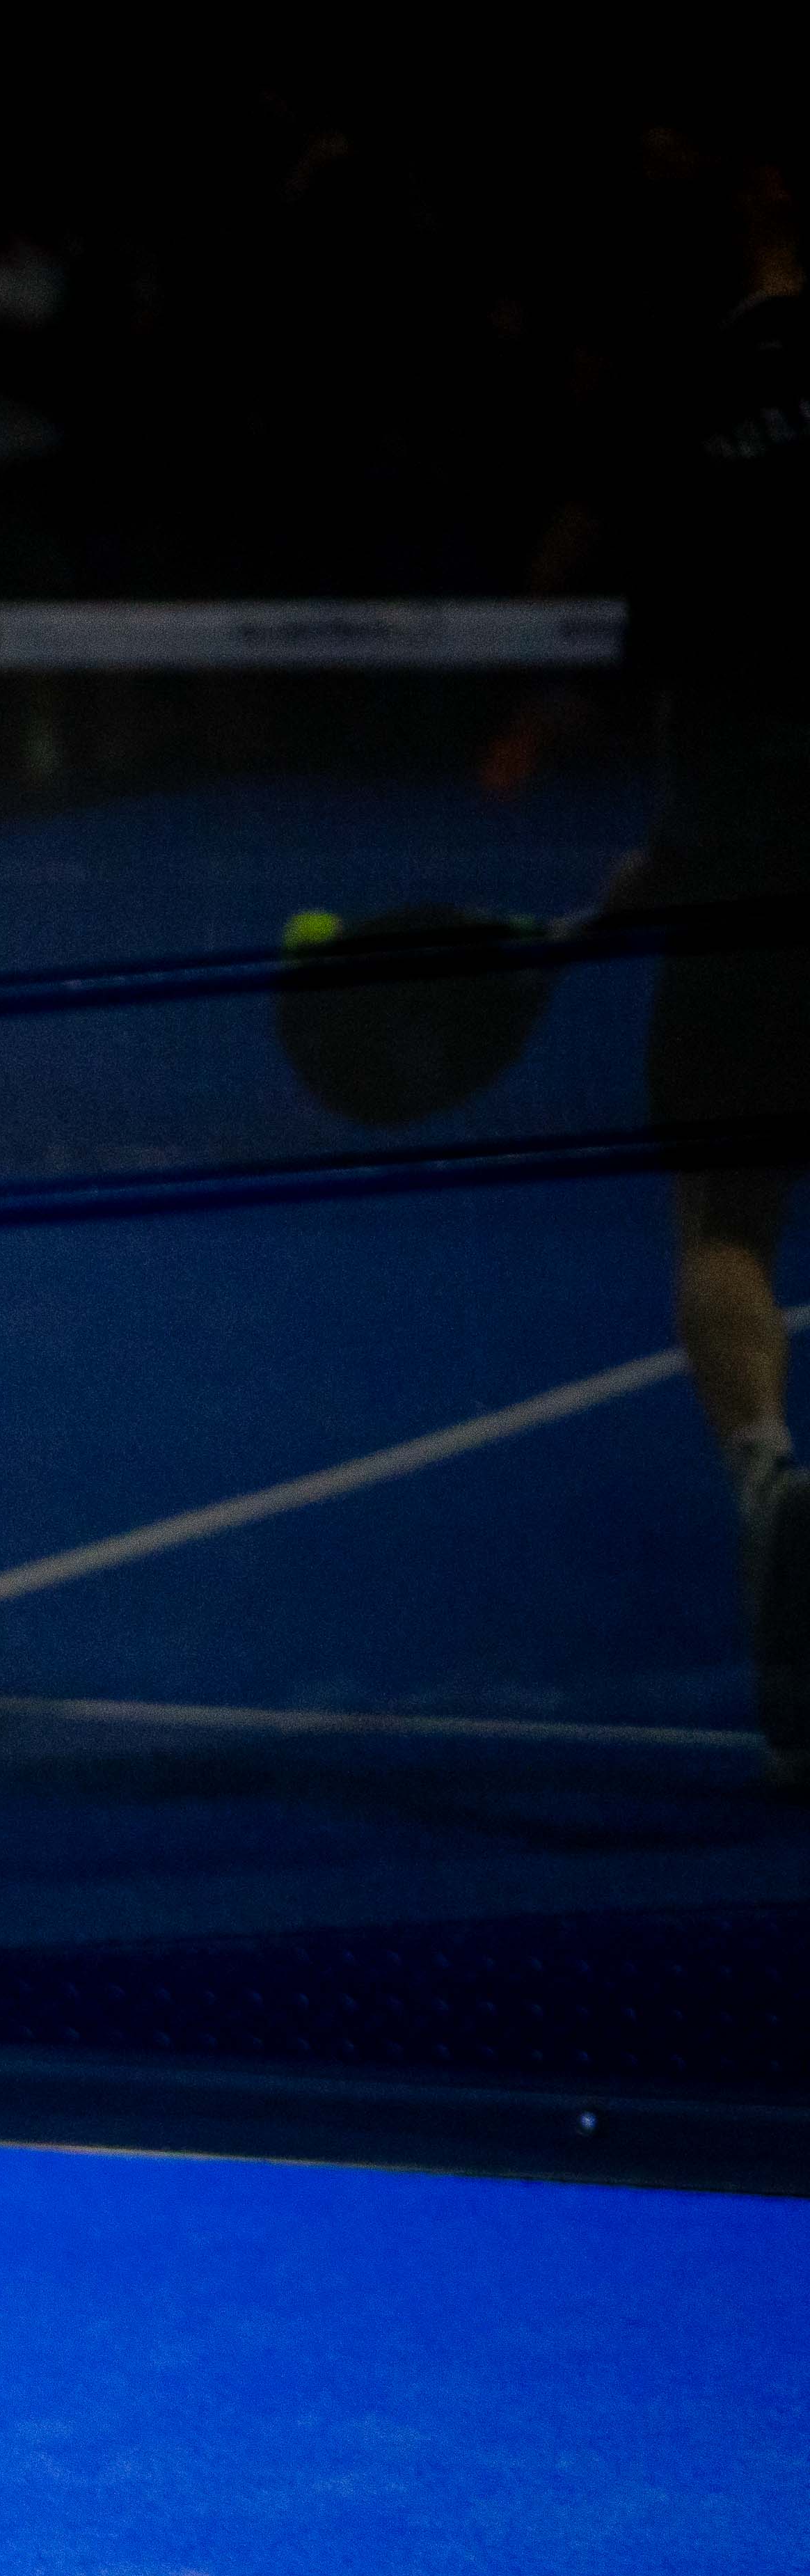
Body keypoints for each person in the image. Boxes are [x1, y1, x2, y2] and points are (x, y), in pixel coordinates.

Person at [624, 106, 810, 1780]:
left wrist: (674, 858)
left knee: (726, 1214)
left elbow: (681, 677)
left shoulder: (694, 402)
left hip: (753, 863)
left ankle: (764, 1467)